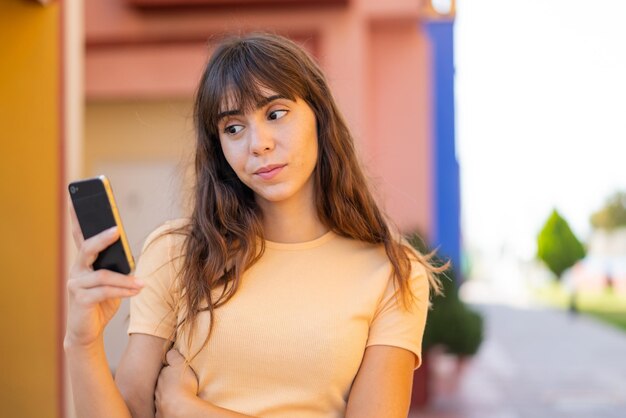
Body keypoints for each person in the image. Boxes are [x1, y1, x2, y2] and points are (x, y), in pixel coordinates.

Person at [64, 33, 444, 418]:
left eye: (275, 113)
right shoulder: (177, 252)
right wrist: (83, 342)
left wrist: (189, 409)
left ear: (320, 116)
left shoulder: (392, 273)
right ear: (219, 148)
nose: (257, 144)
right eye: (233, 128)